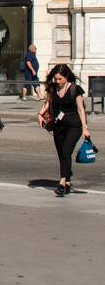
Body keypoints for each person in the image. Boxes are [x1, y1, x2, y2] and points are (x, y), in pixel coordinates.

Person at [39, 64, 90, 197]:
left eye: (60, 79)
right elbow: (48, 103)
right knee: (62, 154)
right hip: (58, 126)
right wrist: (40, 114)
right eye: (56, 79)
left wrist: (85, 128)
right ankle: (67, 182)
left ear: (66, 77)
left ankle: (62, 183)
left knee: (66, 150)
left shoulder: (75, 89)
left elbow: (81, 109)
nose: (57, 81)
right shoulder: (52, 88)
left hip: (74, 126)